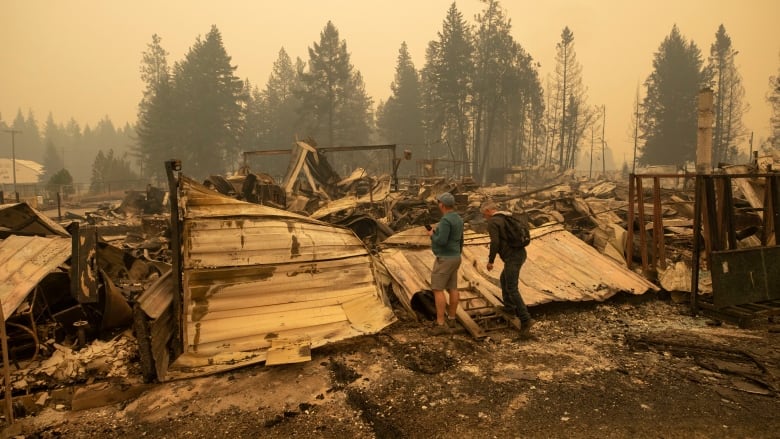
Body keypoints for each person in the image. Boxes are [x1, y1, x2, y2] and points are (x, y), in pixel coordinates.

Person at [480, 200, 535, 338]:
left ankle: (525, 319)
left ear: (488, 211)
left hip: (512, 257)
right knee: (504, 279)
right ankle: (509, 308)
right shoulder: (507, 217)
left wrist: (491, 260)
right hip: (521, 253)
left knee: (512, 287)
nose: (484, 217)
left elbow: (495, 242)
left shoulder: (493, 222)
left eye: (483, 214)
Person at [427, 192, 464, 335]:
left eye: (438, 203)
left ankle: (440, 323)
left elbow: (441, 241)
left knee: (437, 289)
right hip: (455, 257)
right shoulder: (459, 219)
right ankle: (452, 318)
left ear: (442, 205)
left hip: (445, 258)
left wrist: (432, 235)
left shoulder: (445, 221)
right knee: (453, 287)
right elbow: (460, 239)